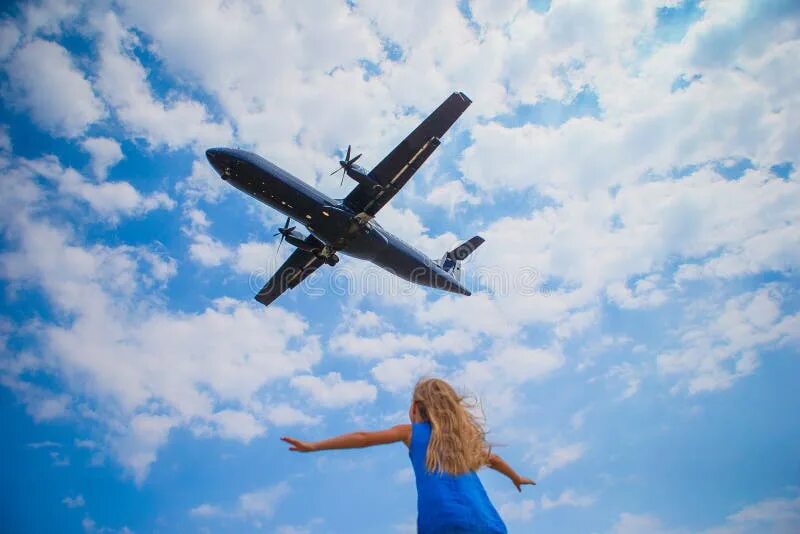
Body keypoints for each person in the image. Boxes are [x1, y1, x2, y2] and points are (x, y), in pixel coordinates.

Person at [281, 377, 535, 533]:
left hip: (442, 522)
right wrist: (516, 477)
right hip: (489, 524)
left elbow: (364, 438)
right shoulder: (464, 444)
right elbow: (496, 460)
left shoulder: (412, 432)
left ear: (415, 408)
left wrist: (314, 446)